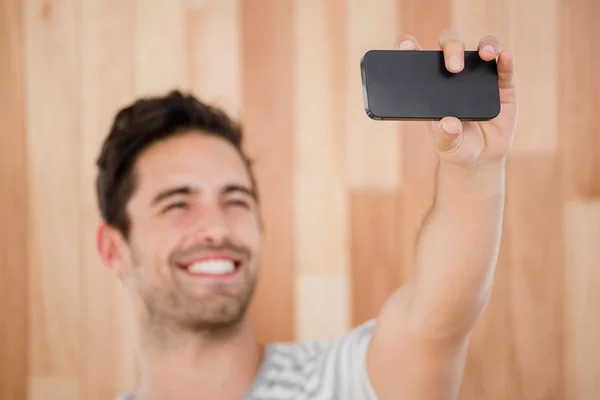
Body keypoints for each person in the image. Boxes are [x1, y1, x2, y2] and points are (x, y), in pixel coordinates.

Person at [96, 28, 517, 400]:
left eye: (236, 200)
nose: (217, 227)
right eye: (177, 203)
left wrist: (473, 169)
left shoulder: (346, 382)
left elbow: (437, 323)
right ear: (113, 248)